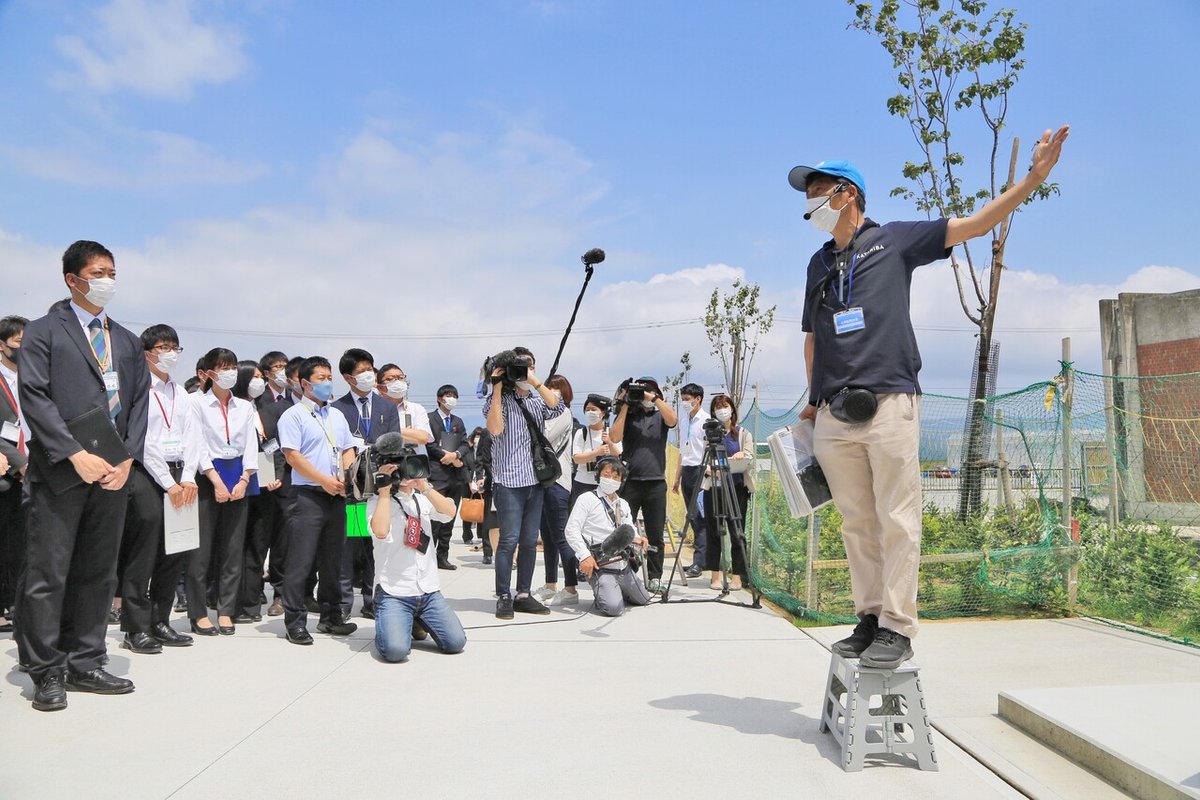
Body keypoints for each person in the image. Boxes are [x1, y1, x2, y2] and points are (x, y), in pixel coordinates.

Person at [790, 125, 1069, 668]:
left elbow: (978, 223)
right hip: (833, 411)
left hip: (889, 401)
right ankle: (870, 617)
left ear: (847, 194)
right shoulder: (819, 264)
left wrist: (1034, 177)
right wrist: (812, 398)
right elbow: (811, 335)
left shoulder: (894, 240)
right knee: (856, 522)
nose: (810, 205)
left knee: (897, 516)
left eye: (817, 193)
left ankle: (898, 624)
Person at [17, 240, 150, 711]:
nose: (107, 281)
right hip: (62, 473)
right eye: (98, 272)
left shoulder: (129, 342)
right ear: (73, 279)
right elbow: (34, 396)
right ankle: (46, 669)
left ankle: (86, 660)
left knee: (98, 572)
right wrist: (74, 453)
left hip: (113, 474)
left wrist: (128, 458)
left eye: (113, 272)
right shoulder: (42, 332)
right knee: (48, 575)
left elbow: (137, 405)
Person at [116, 324, 199, 654]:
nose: (170, 353)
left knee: (175, 550)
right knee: (143, 550)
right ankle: (135, 627)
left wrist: (189, 477)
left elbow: (192, 438)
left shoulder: (182, 394)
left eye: (175, 347)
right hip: (147, 474)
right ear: (147, 352)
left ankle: (160, 620)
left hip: (182, 475)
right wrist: (169, 483)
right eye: (163, 347)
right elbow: (143, 440)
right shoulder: (139, 390)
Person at [277, 356, 358, 645]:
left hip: (337, 496)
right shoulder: (294, 415)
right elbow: (292, 456)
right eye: (320, 378)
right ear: (304, 383)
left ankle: (331, 616)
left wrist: (347, 479)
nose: (326, 383)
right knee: (301, 560)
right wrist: (323, 479)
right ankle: (295, 620)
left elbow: (348, 448)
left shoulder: (336, 415)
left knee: (333, 559)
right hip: (308, 496)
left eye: (328, 377)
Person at [482, 347, 566, 619]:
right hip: (508, 480)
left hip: (535, 480)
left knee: (530, 541)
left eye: (529, 365)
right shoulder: (499, 400)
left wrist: (534, 382)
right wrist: (496, 387)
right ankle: (504, 596)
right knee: (509, 541)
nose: (524, 370)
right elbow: (494, 429)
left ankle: (524, 594)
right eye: (519, 367)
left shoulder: (536, 399)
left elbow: (558, 406)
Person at [188, 348, 258, 637]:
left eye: (232, 366)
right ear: (208, 373)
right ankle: (199, 612)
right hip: (207, 475)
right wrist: (215, 480)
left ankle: (226, 610)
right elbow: (197, 441)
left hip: (239, 474)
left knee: (232, 548)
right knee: (201, 550)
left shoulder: (245, 406)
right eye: (222, 367)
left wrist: (243, 479)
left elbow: (250, 445)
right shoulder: (196, 403)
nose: (228, 372)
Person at [367, 463, 467, 662]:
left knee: (456, 643)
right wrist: (384, 490)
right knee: (395, 652)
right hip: (393, 593)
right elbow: (380, 531)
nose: (406, 474)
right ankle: (398, 623)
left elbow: (449, 512)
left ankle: (414, 620)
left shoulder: (422, 499)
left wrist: (424, 486)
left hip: (427, 592)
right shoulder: (378, 501)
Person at [332, 348, 400, 618]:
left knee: (377, 545)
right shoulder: (338, 409)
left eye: (370, 369)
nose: (369, 375)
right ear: (348, 378)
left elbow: (395, 441)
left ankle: (373, 599)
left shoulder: (386, 405)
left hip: (380, 488)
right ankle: (345, 601)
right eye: (361, 371)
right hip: (354, 490)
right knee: (351, 544)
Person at [608, 376, 678, 593]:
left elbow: (673, 420)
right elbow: (614, 436)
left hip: (656, 483)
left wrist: (653, 397)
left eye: (649, 390)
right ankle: (623, 573)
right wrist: (627, 404)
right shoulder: (630, 416)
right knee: (624, 531)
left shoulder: (660, 416)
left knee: (656, 533)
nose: (644, 395)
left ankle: (655, 577)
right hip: (631, 482)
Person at [565, 458, 653, 617]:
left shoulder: (623, 504)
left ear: (621, 480)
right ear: (598, 476)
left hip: (622, 564)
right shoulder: (586, 499)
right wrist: (584, 556)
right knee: (614, 609)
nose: (610, 480)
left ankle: (616, 589)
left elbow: (628, 528)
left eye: (616, 477)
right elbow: (571, 530)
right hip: (600, 565)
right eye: (606, 475)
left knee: (644, 599)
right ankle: (604, 592)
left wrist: (638, 538)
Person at [233, 359, 282, 623]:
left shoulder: (268, 409)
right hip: (238, 484)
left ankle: (251, 604)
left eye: (262, 377)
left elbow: (277, 448)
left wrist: (276, 477)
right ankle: (232, 603)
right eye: (254, 377)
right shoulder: (231, 408)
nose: (260, 381)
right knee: (235, 547)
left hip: (266, 488)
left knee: (257, 547)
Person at [532, 374, 580, 608]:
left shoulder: (564, 413)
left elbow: (544, 438)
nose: (552, 391)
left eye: (556, 388)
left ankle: (570, 588)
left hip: (558, 482)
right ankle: (550, 585)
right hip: (542, 482)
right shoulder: (545, 414)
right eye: (549, 387)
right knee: (548, 538)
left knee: (562, 537)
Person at [701, 394, 753, 591]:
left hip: (737, 487)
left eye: (724, 406)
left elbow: (749, 455)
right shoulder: (710, 434)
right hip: (714, 488)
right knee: (714, 532)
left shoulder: (742, 434)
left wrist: (741, 455)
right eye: (717, 408)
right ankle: (715, 575)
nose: (721, 410)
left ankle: (738, 577)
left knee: (737, 533)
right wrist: (708, 468)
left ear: (732, 409)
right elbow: (705, 459)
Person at [0, 315, 29, 638]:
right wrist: (18, 461)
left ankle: (22, 614)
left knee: (25, 550)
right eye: (19, 342)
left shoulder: (34, 378)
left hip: (34, 473)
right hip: (6, 472)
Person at [425, 384, 470, 570]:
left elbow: (465, 443)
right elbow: (428, 443)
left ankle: (442, 556)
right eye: (447, 395)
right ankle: (428, 557)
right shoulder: (429, 419)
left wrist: (456, 455)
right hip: (436, 474)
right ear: (439, 398)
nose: (451, 398)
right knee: (434, 519)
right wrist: (443, 454)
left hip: (455, 475)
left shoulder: (458, 421)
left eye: (454, 395)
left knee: (449, 520)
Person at [672, 383, 709, 578]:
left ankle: (700, 562)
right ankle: (699, 560)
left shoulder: (706, 421)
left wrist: (707, 471)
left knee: (700, 517)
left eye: (688, 399)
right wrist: (677, 477)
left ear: (698, 399)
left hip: (701, 472)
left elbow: (709, 449)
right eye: (683, 399)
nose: (685, 403)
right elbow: (682, 451)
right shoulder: (684, 421)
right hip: (687, 470)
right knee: (692, 516)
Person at [569, 393, 621, 509]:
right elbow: (577, 458)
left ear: (603, 413)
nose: (590, 413)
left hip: (606, 484)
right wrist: (597, 452)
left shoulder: (611, 432)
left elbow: (619, 455)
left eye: (594, 409)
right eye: (587, 410)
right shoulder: (582, 432)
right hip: (582, 482)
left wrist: (609, 442)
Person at [375, 364, 433, 453]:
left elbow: (423, 438)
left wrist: (387, 430)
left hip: (411, 463)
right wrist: (408, 433)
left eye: (401, 378)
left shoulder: (416, 409)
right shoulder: (373, 409)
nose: (397, 382)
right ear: (379, 387)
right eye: (391, 379)